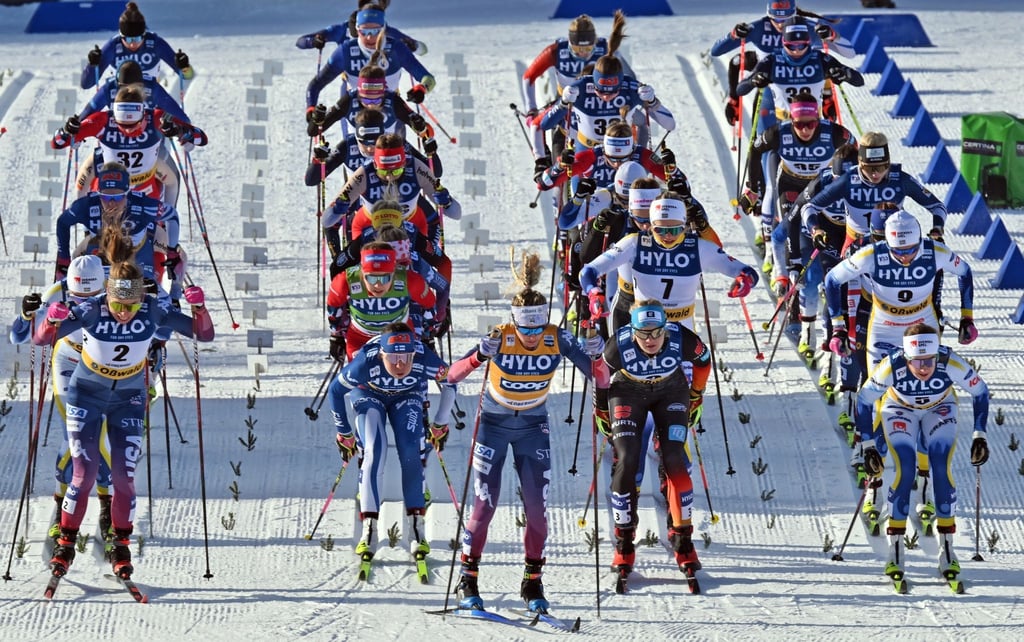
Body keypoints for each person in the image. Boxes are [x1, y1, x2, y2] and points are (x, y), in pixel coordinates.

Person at [33, 226, 214, 580]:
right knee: (84, 473)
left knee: (124, 477)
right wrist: (51, 321)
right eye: (117, 305)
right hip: (87, 393)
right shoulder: (91, 309)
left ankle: (120, 545)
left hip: (128, 399)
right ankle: (65, 543)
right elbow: (43, 340)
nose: (124, 313)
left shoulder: (152, 310)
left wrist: (200, 308)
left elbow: (203, 334)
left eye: (131, 306)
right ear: (108, 295)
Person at [444, 251, 604, 613]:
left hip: (533, 427)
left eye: (537, 329)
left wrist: (596, 354)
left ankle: (532, 581)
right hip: (494, 425)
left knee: (537, 510)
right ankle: (468, 577)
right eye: (525, 330)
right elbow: (451, 375)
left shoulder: (557, 337)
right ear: (514, 323)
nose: (531, 337)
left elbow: (600, 379)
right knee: (484, 505)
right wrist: (479, 355)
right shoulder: (500, 335)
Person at [854, 324, 990, 591]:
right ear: (906, 357)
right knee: (905, 469)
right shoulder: (891, 365)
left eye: (929, 360)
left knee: (941, 467)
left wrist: (980, 435)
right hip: (899, 408)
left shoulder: (950, 361)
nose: (924, 368)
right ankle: (896, 551)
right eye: (917, 362)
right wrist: (868, 445)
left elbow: (980, 391)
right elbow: (864, 399)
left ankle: (947, 551)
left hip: (940, 408)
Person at [593, 299, 711, 584]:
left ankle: (682, 539)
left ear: (665, 328)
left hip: (671, 391)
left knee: (675, 460)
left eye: (657, 332)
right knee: (627, 459)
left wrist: (696, 393)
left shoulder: (680, 336)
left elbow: (704, 360)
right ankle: (624, 543)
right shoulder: (617, 345)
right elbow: (601, 376)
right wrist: (601, 410)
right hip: (627, 392)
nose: (650, 339)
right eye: (643, 333)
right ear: (632, 330)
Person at [325, 322, 455, 571]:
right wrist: (344, 433)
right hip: (369, 394)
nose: (400, 365)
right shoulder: (366, 361)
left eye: (406, 358)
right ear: (382, 354)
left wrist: (440, 422)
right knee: (374, 451)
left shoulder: (424, 357)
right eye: (393, 358)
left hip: (407, 395)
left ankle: (416, 528)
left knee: (411, 450)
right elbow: (335, 391)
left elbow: (451, 382)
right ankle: (369, 529)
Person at [11, 257, 114, 550]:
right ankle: (61, 505)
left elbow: (157, 325)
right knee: (74, 437)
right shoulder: (57, 291)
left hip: (103, 365)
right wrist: (26, 315)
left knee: (102, 437)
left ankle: (107, 506)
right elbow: (18, 336)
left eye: (91, 297)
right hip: (69, 360)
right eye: (76, 297)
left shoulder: (117, 285)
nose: (82, 304)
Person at [581, 192, 758, 332]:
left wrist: (745, 280)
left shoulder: (699, 247)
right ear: (650, 224)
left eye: (674, 230)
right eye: (660, 230)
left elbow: (746, 271)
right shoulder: (634, 243)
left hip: (682, 327)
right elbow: (588, 271)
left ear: (684, 225)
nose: (667, 236)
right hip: (644, 328)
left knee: (700, 363)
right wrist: (593, 292)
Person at [51, 85, 208, 207]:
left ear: (143, 114)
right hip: (110, 190)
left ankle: (170, 232)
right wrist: (67, 131)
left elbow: (201, 138)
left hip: (146, 188)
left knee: (172, 188)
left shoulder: (157, 117)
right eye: (122, 125)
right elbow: (57, 143)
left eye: (133, 125)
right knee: (85, 197)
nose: (128, 131)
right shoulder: (101, 120)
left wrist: (180, 131)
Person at [710, 1, 853, 131]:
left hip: (805, 85)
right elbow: (716, 51)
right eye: (776, 19)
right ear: (768, 15)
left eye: (785, 20)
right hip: (771, 86)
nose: (780, 25)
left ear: (794, 14)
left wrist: (833, 36)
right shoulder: (760, 28)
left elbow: (849, 53)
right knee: (761, 141)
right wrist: (734, 35)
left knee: (808, 133)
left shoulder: (807, 27)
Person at [53, 162, 184, 300]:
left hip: (137, 251)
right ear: (98, 194)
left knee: (180, 259)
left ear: (127, 193)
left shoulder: (144, 205)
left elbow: (172, 215)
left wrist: (172, 250)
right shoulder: (86, 206)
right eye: (105, 197)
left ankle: (175, 294)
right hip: (101, 247)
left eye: (118, 197)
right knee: (76, 263)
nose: (111, 203)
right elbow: (62, 222)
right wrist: (63, 257)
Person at [522, 11, 631, 171]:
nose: (583, 53)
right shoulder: (556, 51)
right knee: (545, 126)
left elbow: (628, 77)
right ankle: (546, 162)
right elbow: (529, 77)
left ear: (594, 42)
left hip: (603, 102)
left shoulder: (606, 48)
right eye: (578, 48)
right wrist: (531, 109)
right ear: (569, 43)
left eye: (588, 48)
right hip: (566, 101)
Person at [304, 3, 434, 115]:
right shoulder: (345, 51)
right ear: (356, 29)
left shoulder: (396, 48)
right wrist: (311, 109)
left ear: (384, 29)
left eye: (375, 31)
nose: (369, 37)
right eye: (364, 31)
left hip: (391, 110)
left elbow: (428, 78)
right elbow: (316, 84)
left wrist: (421, 89)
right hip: (355, 114)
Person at [736, 18, 863, 124]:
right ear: (783, 43)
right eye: (791, 46)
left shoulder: (820, 59)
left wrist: (845, 75)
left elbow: (859, 81)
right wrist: (753, 81)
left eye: (801, 45)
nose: (797, 51)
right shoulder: (771, 61)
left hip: (812, 124)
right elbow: (740, 89)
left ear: (808, 42)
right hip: (783, 123)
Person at [327, 242, 438, 362]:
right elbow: (334, 308)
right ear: (362, 272)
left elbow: (430, 306)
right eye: (371, 278)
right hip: (360, 337)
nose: (377, 285)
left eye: (384, 278)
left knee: (401, 371)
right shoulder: (345, 281)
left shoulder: (409, 280)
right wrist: (336, 337)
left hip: (400, 336)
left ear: (393, 273)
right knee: (360, 372)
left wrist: (428, 336)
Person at [81, 2, 192, 90]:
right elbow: (86, 84)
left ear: (144, 35)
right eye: (128, 39)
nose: (133, 44)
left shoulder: (155, 43)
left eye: (138, 39)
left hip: (150, 98)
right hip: (120, 101)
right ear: (121, 36)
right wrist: (92, 65)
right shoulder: (113, 46)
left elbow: (187, 76)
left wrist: (184, 66)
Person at [295, 0, 427, 56]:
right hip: (351, 91)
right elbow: (301, 41)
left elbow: (423, 50)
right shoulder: (343, 29)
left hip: (383, 91)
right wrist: (314, 41)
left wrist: (413, 46)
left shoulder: (388, 32)